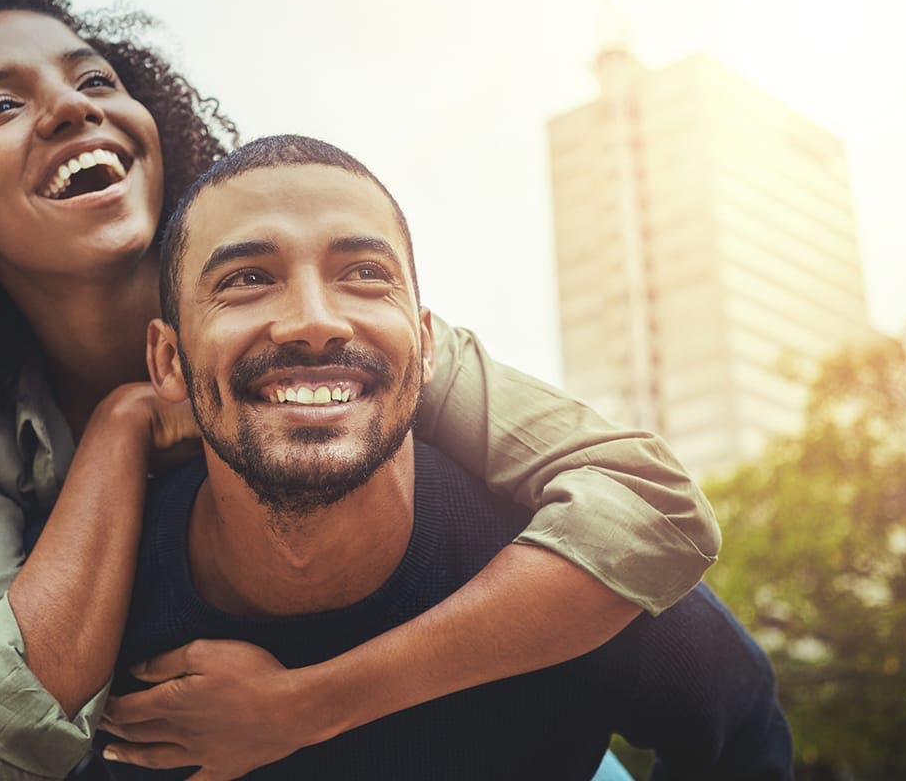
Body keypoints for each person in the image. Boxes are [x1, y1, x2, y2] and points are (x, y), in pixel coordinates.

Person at [0, 0, 721, 780]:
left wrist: (304, 704)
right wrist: (124, 425)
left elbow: (650, 510)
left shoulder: (320, 318)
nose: (69, 107)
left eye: (93, 77)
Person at [94, 134, 792, 779]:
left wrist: (303, 706)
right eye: (247, 279)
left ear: (428, 345)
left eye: (364, 273)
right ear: (167, 360)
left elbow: (742, 724)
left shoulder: (567, 576)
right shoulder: (110, 616)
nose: (313, 320)